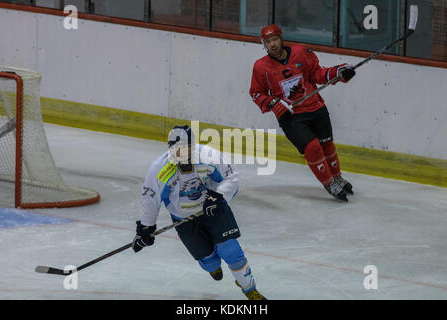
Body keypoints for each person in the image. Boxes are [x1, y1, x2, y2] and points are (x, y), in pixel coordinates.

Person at [132, 125, 266, 300]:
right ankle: (212, 265)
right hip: (184, 219)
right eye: (174, 149)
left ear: (192, 147)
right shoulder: (161, 168)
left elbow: (232, 176)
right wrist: (145, 229)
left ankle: (249, 289)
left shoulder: (208, 156)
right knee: (210, 262)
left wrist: (218, 196)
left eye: (183, 149)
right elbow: (151, 198)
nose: (178, 154)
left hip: (213, 208)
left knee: (231, 251)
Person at [249, 24, 356, 202]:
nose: (272, 44)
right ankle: (330, 183)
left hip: (315, 108)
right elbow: (256, 93)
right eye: (268, 42)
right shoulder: (261, 67)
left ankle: (338, 178)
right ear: (264, 45)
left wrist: (339, 72)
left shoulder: (300, 52)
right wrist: (274, 103)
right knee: (313, 147)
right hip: (290, 116)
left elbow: (317, 74)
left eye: (274, 39)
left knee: (327, 145)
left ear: (281, 39)